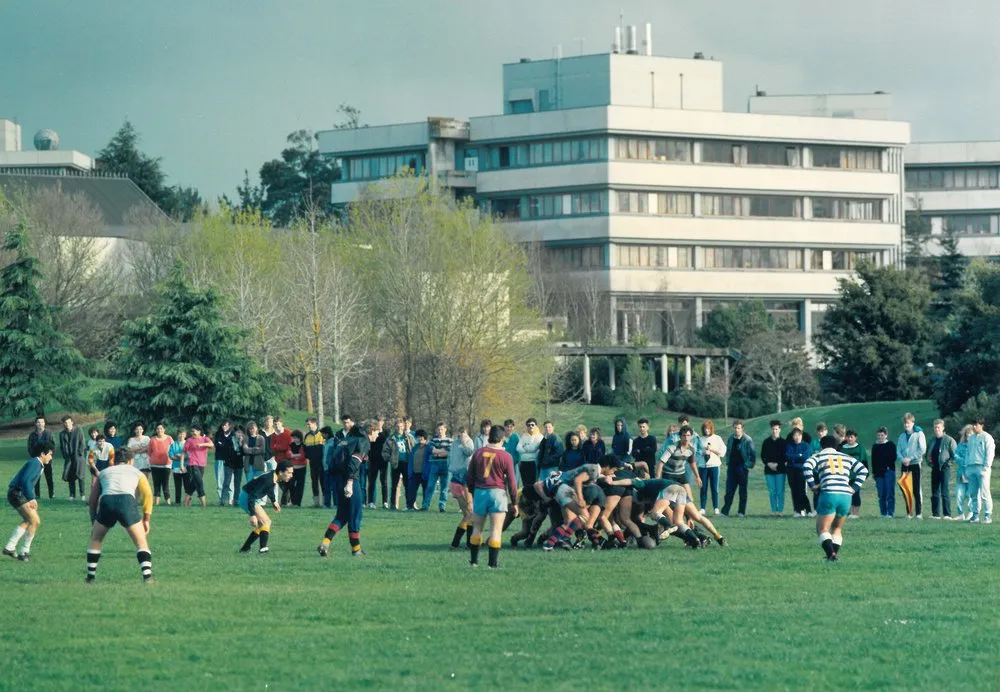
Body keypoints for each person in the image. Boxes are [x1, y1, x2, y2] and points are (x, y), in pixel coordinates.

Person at [84, 448, 156, 582]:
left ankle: (90, 577)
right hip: (127, 502)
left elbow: (93, 499)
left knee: (96, 539)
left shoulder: (104, 473)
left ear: (114, 460)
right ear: (130, 460)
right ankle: (147, 577)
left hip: (107, 502)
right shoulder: (137, 472)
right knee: (141, 542)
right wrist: (146, 519)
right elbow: (147, 495)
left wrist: (94, 519)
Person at [804, 435, 869, 561]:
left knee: (822, 529)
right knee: (837, 528)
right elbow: (863, 470)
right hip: (845, 496)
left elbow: (807, 466)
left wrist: (812, 485)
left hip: (829, 493)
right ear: (836, 446)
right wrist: (854, 488)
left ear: (821, 446)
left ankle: (831, 554)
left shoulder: (819, 456)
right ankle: (832, 555)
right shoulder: (845, 457)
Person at [317, 424, 379, 557]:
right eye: (377, 432)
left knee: (342, 515)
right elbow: (353, 462)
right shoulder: (363, 441)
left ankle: (325, 543)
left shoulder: (348, 439)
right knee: (355, 515)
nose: (378, 435)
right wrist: (350, 482)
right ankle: (356, 550)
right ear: (371, 431)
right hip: (350, 480)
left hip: (337, 480)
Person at [466, 426, 518, 568]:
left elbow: (469, 476)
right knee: (495, 530)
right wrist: (514, 502)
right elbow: (512, 482)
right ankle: (492, 565)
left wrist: (473, 491)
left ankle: (474, 562)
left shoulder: (478, 453)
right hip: (498, 493)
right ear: (502, 439)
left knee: (477, 528)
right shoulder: (506, 456)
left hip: (480, 492)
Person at [5, 442, 55, 561]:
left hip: (16, 493)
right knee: (35, 520)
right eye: (50, 454)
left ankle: (10, 547)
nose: (51, 457)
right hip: (17, 493)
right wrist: (32, 498)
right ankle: (24, 552)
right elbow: (26, 481)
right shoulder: (35, 463)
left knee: (29, 520)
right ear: (43, 454)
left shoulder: (37, 463)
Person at [237, 460, 294, 554]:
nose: (291, 475)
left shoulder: (273, 476)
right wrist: (252, 515)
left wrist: (274, 501)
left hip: (248, 496)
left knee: (262, 524)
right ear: (281, 472)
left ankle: (245, 548)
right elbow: (252, 495)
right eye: (289, 472)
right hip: (247, 497)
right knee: (266, 522)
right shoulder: (268, 479)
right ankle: (263, 549)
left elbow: (269, 488)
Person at [448, 427, 475, 549]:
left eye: (463, 433)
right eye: (460, 434)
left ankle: (458, 543)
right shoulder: (455, 443)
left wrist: (464, 443)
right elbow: (452, 458)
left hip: (464, 477)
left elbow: (470, 452)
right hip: (457, 479)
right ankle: (464, 543)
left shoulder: (468, 442)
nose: (461, 436)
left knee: (468, 514)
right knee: (469, 513)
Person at [722, 420, 756, 517]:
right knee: (729, 491)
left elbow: (752, 456)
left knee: (742, 491)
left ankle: (741, 512)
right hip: (732, 468)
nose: (737, 430)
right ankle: (725, 512)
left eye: (739, 428)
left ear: (742, 429)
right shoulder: (730, 438)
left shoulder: (747, 440)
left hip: (742, 468)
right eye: (735, 428)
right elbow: (728, 452)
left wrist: (746, 466)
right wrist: (728, 462)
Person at [896, 413, 927, 519]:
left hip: (915, 464)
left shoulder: (919, 433)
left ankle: (919, 513)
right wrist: (903, 459)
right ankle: (909, 512)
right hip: (905, 465)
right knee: (906, 489)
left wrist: (911, 458)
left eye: (908, 423)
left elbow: (922, 449)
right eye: (905, 423)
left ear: (912, 423)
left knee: (916, 489)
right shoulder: (902, 436)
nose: (906, 425)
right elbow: (898, 450)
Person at [965, 417, 994, 524]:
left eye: (976, 424)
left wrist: (986, 467)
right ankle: (975, 515)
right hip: (971, 467)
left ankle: (987, 515)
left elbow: (990, 453)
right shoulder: (971, 438)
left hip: (982, 467)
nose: (974, 426)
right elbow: (968, 453)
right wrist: (967, 466)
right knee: (973, 493)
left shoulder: (987, 437)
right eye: (973, 424)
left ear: (981, 425)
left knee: (985, 493)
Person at [383, 418, 414, 510]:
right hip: (396, 463)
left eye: (401, 426)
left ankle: (409, 505)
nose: (399, 428)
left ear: (404, 427)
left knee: (407, 485)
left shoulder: (408, 437)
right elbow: (385, 451)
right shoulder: (391, 438)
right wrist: (390, 459)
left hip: (406, 463)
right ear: (395, 427)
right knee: (394, 485)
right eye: (397, 427)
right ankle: (393, 505)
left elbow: (414, 448)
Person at [928, 419, 956, 520]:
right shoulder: (932, 440)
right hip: (934, 468)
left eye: (938, 427)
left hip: (945, 468)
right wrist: (929, 463)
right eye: (935, 427)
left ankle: (947, 514)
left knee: (945, 491)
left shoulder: (949, 440)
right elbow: (928, 453)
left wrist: (947, 464)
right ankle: (935, 514)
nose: (936, 429)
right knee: (934, 491)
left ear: (943, 428)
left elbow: (954, 455)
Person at [698, 420, 726, 515]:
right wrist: (703, 452)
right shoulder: (700, 439)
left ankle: (716, 508)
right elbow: (696, 453)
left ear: (711, 429)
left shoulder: (717, 438)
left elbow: (722, 452)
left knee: (714, 488)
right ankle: (702, 508)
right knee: (703, 487)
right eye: (705, 429)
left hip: (714, 465)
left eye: (709, 429)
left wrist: (711, 450)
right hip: (703, 466)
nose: (707, 430)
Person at [839, 429, 869, 519]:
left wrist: (864, 475)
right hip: (845, 476)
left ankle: (856, 513)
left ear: (855, 438)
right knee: (846, 494)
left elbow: (864, 462)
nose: (849, 439)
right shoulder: (843, 448)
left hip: (856, 476)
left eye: (851, 437)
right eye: (848, 437)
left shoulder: (860, 448)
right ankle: (848, 512)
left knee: (856, 494)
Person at [761, 420, 787, 516]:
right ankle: (773, 510)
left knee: (780, 491)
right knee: (772, 491)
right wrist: (769, 464)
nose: (774, 431)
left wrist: (777, 465)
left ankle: (780, 510)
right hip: (769, 471)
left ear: (779, 430)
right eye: (773, 429)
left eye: (776, 429)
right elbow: (763, 456)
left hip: (780, 470)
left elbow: (785, 457)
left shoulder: (784, 442)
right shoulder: (766, 442)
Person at [59, 415, 88, 501]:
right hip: (69, 458)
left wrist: (79, 453)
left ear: (72, 422)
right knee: (70, 476)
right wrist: (65, 455)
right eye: (65, 423)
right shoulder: (62, 434)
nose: (67, 424)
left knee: (80, 476)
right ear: (63, 424)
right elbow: (61, 446)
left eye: (68, 422)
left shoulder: (78, 430)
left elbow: (82, 443)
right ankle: (72, 495)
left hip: (78, 456)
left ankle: (82, 494)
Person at [785, 428, 814, 517]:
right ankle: (797, 510)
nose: (797, 437)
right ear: (793, 437)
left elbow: (805, 457)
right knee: (794, 491)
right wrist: (798, 455)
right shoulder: (789, 445)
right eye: (795, 435)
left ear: (801, 436)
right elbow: (787, 456)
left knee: (801, 491)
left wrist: (795, 457)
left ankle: (808, 510)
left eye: (798, 435)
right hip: (791, 470)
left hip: (801, 470)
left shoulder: (806, 446)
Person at [425, 423, 453, 512]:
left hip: (446, 465)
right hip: (435, 465)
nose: (440, 431)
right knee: (430, 486)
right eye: (438, 429)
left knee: (444, 487)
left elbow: (449, 452)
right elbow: (432, 451)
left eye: (442, 429)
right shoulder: (433, 440)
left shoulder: (450, 441)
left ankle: (442, 506)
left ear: (445, 429)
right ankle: (426, 505)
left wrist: (438, 452)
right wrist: (442, 451)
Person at [870, 427, 897, 518]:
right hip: (878, 474)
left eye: (882, 435)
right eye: (879, 435)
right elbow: (873, 460)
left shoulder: (890, 445)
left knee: (890, 493)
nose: (880, 437)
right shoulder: (875, 446)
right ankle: (883, 513)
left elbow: (893, 457)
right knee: (881, 494)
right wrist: (874, 473)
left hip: (889, 471)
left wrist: (887, 466)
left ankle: (890, 513)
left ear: (886, 435)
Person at [183, 424, 212, 508]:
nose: (192, 432)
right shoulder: (189, 440)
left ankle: (186, 501)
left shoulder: (205, 439)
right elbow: (183, 452)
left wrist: (202, 445)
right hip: (192, 464)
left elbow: (211, 445)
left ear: (199, 431)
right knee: (199, 483)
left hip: (202, 464)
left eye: (194, 431)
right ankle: (204, 505)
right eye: (191, 431)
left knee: (194, 484)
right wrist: (182, 465)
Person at [27, 416, 56, 500]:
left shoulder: (49, 433)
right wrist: (34, 457)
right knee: (36, 478)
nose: (40, 424)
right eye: (38, 422)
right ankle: (37, 494)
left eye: (42, 422)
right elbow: (29, 447)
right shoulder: (32, 435)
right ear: (36, 424)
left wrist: (50, 456)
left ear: (44, 423)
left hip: (47, 460)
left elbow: (53, 446)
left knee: (49, 477)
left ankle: (52, 494)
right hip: (37, 460)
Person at [147, 423, 174, 506]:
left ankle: (168, 502)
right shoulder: (152, 439)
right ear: (156, 430)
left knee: (165, 484)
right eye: (158, 429)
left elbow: (173, 449)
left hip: (166, 464)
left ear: (164, 430)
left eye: (161, 429)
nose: (159, 430)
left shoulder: (169, 438)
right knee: (156, 483)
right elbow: (149, 451)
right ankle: (157, 502)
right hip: (155, 465)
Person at [366, 417, 390, 509]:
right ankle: (371, 501)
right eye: (378, 421)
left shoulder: (386, 433)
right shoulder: (372, 432)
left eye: (381, 421)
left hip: (383, 460)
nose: (380, 423)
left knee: (384, 481)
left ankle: (385, 502)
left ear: (383, 422)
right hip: (373, 459)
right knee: (372, 481)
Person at [213, 420, 238, 506]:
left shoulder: (233, 435)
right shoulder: (218, 434)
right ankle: (222, 500)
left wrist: (223, 445)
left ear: (230, 426)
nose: (224, 427)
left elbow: (235, 447)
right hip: (219, 459)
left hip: (230, 460)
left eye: (226, 425)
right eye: (223, 425)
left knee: (230, 481)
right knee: (220, 480)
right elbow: (217, 445)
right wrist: (226, 446)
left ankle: (231, 499)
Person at [302, 418, 326, 508]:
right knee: (314, 482)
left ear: (314, 423)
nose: (307, 426)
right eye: (307, 424)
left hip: (322, 463)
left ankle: (324, 502)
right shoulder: (307, 436)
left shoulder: (322, 434)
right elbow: (305, 450)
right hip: (312, 463)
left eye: (309, 424)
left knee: (323, 482)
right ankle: (316, 503)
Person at [407, 430, 431, 510]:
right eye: (418, 437)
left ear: (425, 437)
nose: (419, 438)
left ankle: (424, 507)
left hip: (425, 473)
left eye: (421, 436)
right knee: (412, 490)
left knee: (425, 490)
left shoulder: (429, 448)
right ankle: (410, 506)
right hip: (415, 473)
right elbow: (411, 459)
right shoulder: (415, 448)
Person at [515, 419, 542, 486]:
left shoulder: (540, 437)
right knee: (525, 484)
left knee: (533, 484)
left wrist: (525, 447)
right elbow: (518, 448)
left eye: (532, 425)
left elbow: (533, 448)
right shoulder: (524, 436)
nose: (531, 426)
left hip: (533, 462)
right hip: (523, 462)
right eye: (528, 425)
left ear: (536, 426)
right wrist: (528, 449)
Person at [953, 425, 973, 521]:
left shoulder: (976, 446)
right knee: (958, 494)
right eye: (967, 434)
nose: (969, 436)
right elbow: (955, 456)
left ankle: (971, 513)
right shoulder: (961, 445)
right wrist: (963, 461)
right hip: (961, 474)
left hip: (972, 475)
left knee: (970, 495)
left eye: (971, 434)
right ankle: (960, 514)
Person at [169, 429, 188, 508]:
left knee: (187, 485)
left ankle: (187, 501)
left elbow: (189, 456)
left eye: (183, 434)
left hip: (186, 467)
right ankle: (177, 501)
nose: (181, 436)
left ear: (185, 435)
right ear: (177, 435)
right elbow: (171, 456)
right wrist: (182, 457)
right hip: (176, 468)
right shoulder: (173, 444)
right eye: (180, 434)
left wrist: (180, 456)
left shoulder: (188, 443)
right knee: (177, 486)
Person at [288, 430, 308, 506]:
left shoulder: (303, 445)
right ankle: (293, 501)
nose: (295, 439)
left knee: (300, 486)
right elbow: (289, 455)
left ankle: (298, 503)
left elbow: (303, 456)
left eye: (296, 438)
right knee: (291, 485)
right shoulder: (291, 445)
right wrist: (297, 455)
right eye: (294, 438)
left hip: (302, 468)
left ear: (300, 438)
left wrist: (294, 456)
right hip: (292, 468)